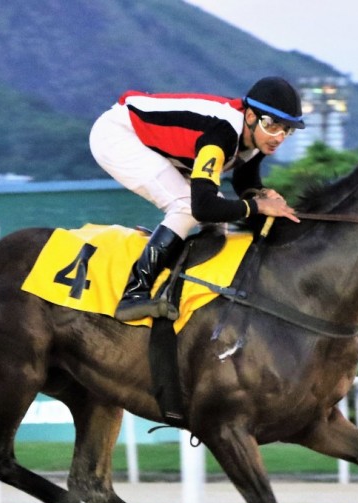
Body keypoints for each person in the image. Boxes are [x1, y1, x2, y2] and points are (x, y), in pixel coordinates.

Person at [90, 76, 304, 321]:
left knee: (219, 217)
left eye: (286, 129)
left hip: (159, 146)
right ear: (251, 117)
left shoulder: (255, 139)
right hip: (118, 136)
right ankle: (134, 294)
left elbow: (244, 183)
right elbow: (202, 208)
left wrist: (261, 195)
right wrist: (259, 205)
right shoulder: (221, 135)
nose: (278, 137)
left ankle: (192, 286)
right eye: (272, 125)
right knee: (185, 207)